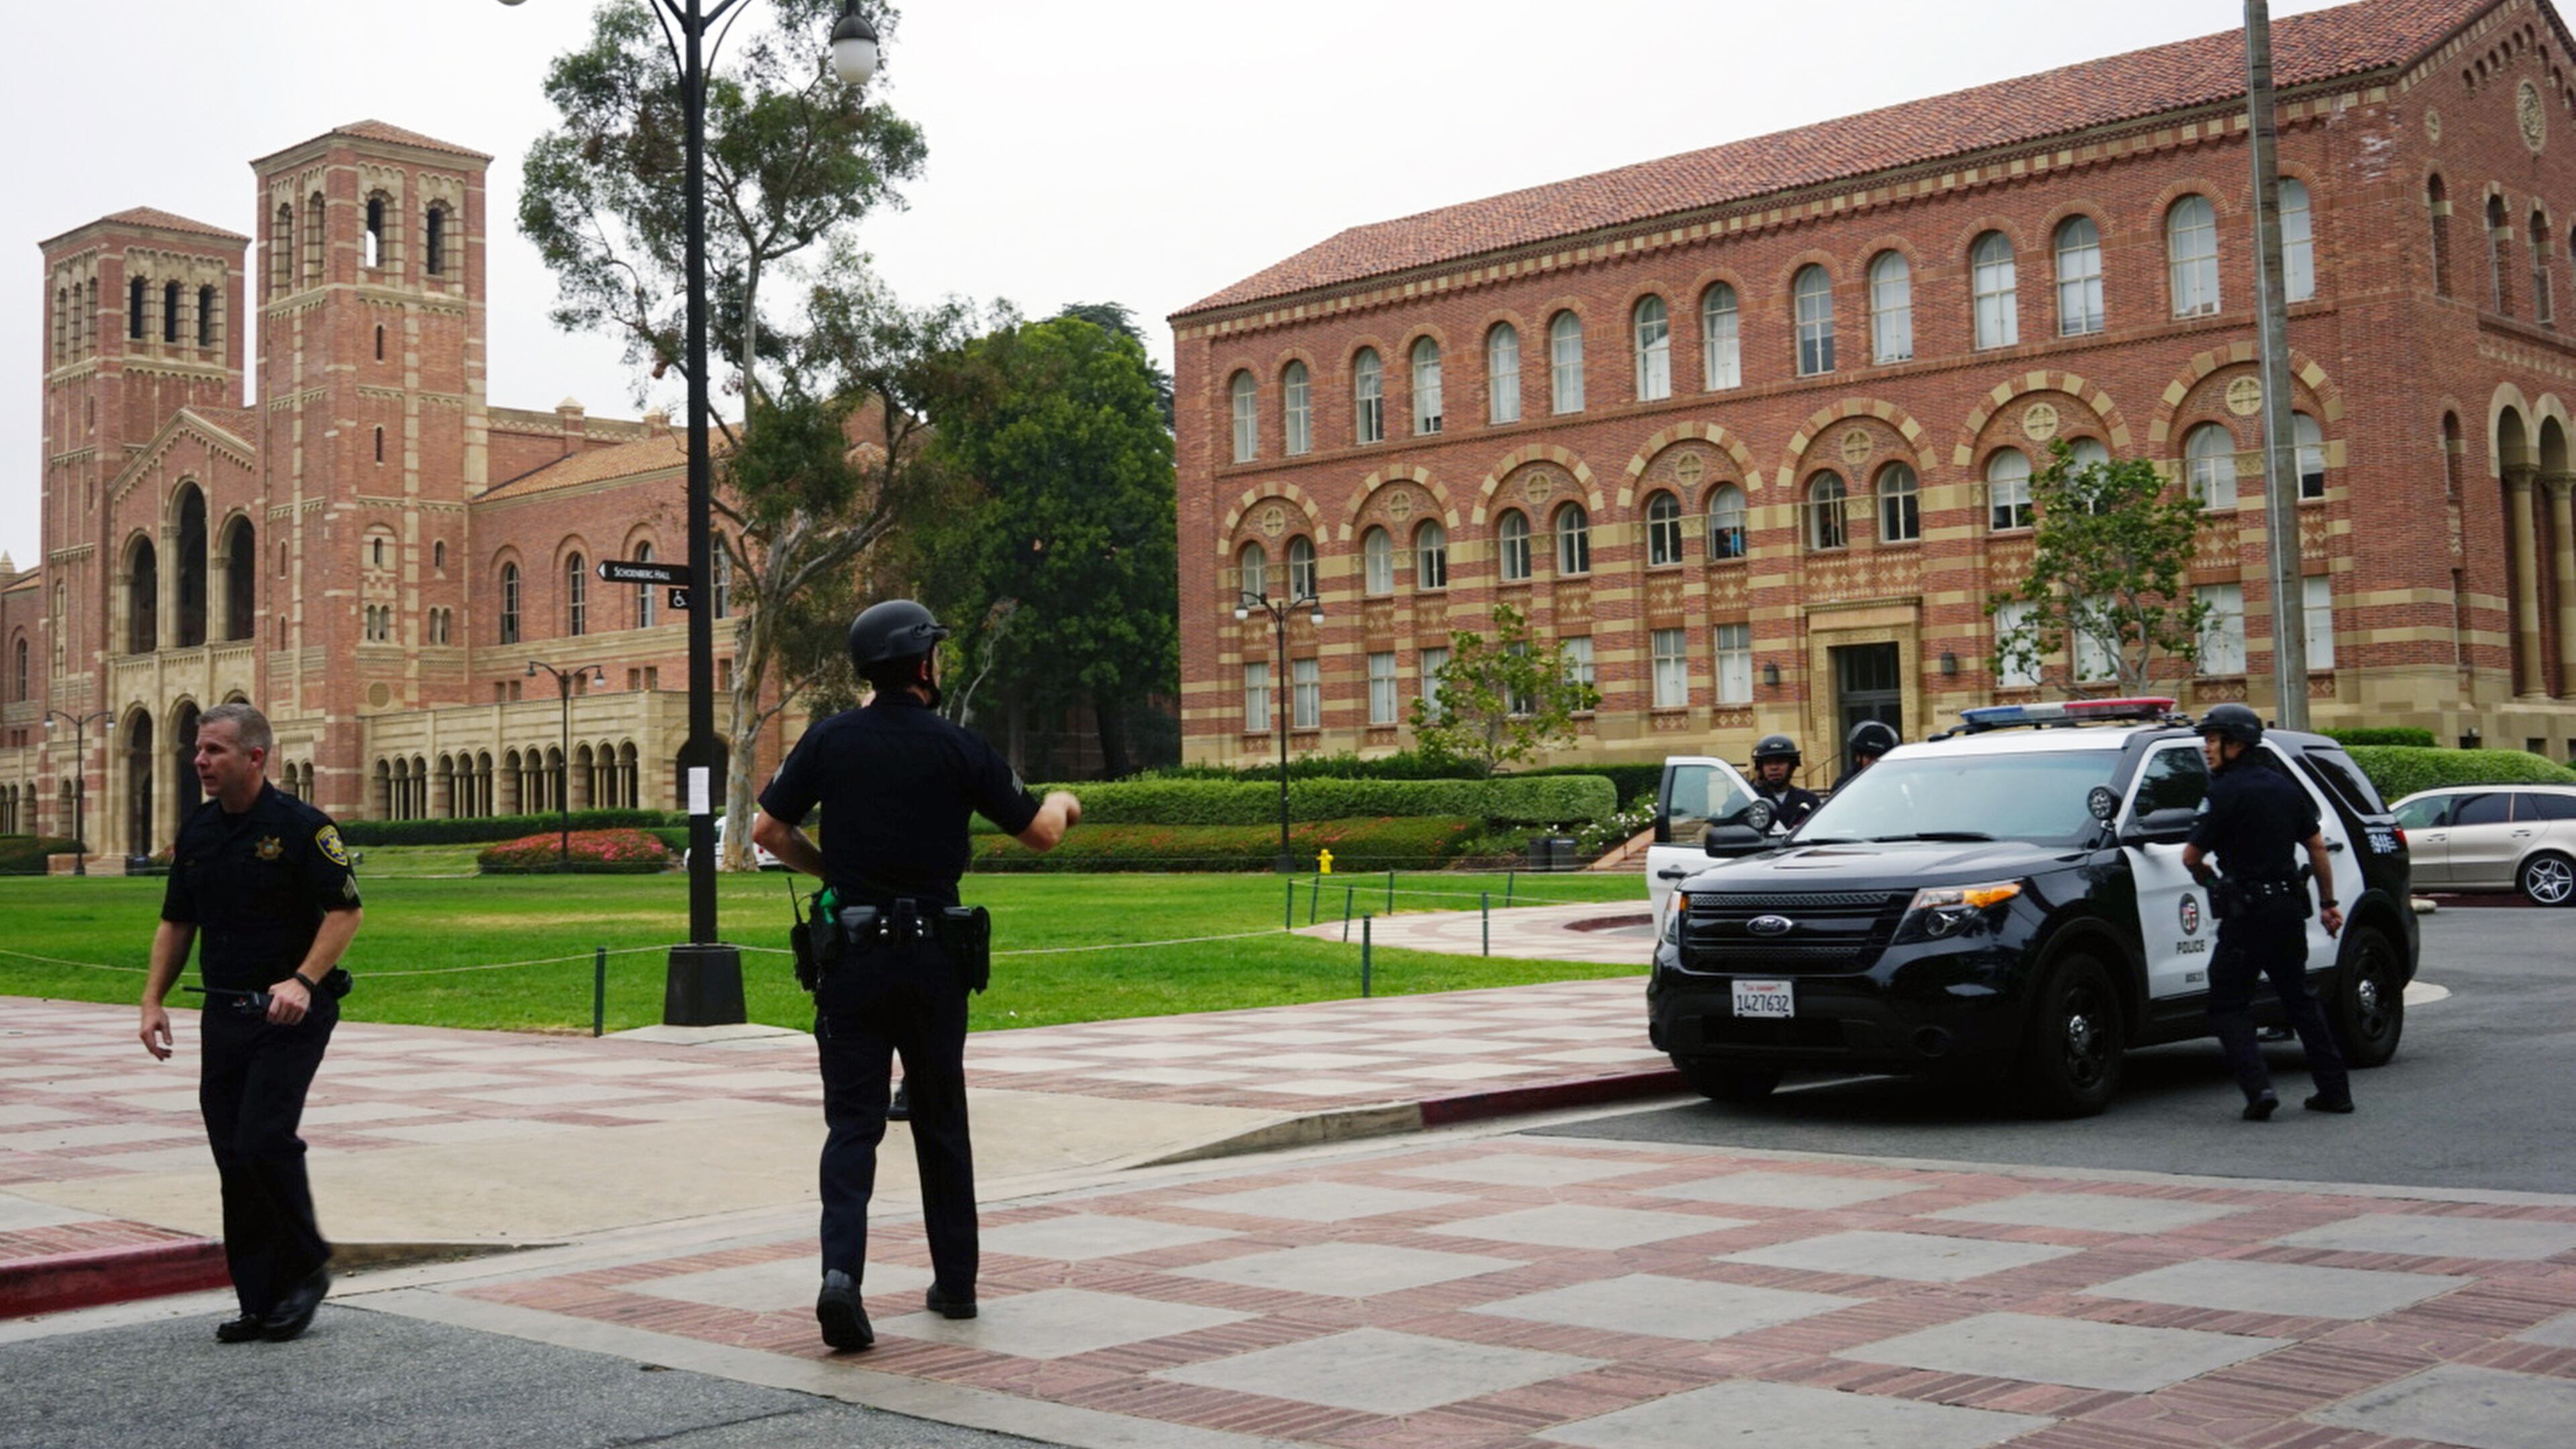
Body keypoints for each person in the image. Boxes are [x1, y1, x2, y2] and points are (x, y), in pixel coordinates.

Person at [751, 599, 1081, 1353]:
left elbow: (769, 830)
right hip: (935, 961)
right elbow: (1039, 834)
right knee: (940, 1119)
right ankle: (955, 1286)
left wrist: (837, 870)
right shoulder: (958, 747)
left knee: (852, 1126)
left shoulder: (830, 740)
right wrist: (1065, 802)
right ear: (926, 666)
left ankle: (842, 1278)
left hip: (854, 960)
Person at [136, 703, 362, 1344]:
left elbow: (345, 912)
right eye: (198, 751)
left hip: (292, 1012)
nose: (200, 761)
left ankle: (307, 1264)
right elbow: (177, 921)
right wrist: (154, 1001)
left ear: (255, 757)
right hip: (225, 1011)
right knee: (234, 1155)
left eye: (214, 751)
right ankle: (262, 1300)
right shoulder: (201, 832)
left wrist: (303, 980)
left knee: (264, 1137)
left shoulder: (302, 827)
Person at [2181, 702, 2353, 1122]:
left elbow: (2190, 855)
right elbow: (2315, 845)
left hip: (2246, 914)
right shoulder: (2284, 787)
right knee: (2300, 999)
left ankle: (2259, 1089)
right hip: (2288, 908)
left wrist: (2206, 876)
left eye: (2213, 739)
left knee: (2227, 1003)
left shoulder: (2222, 792)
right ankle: (2335, 1091)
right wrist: (2329, 905)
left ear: (2235, 744)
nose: (2207, 747)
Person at [1748, 734, 1821, 831]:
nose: (1774, 768)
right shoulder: (1749, 799)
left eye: (1780, 762)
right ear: (1760, 768)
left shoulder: (1810, 801)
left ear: (1792, 766)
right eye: (1768, 763)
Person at [1844, 718, 1900, 785]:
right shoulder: (1846, 784)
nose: (1874, 762)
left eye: (1879, 758)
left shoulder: (1899, 781)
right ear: (1858, 757)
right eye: (1870, 757)